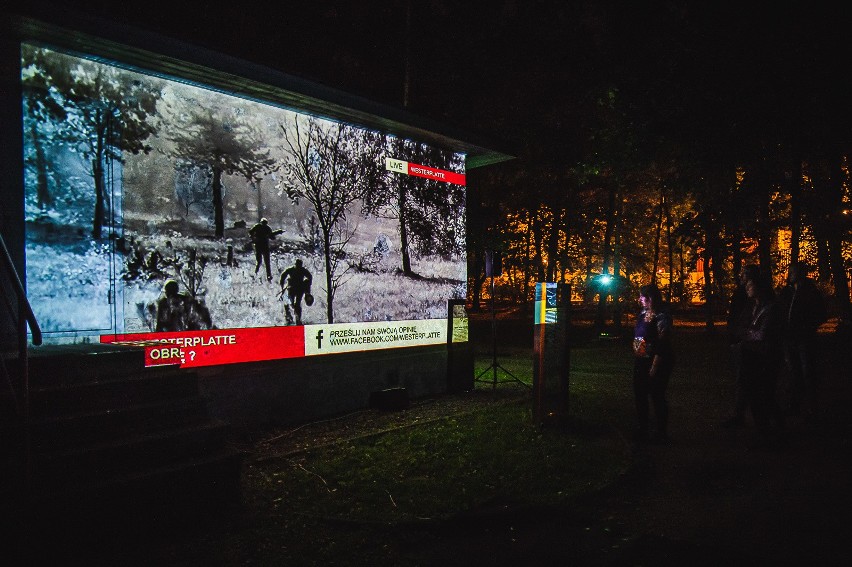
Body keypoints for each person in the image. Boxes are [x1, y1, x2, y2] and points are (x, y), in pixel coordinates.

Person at [733, 272, 786, 449]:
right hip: (752, 355)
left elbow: (763, 334)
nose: (746, 287)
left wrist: (747, 334)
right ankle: (766, 432)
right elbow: (742, 326)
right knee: (756, 394)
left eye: (750, 285)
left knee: (765, 394)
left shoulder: (771, 308)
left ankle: (774, 431)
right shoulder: (751, 306)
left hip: (766, 356)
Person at [778, 261, 827, 418]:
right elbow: (780, 310)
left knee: (807, 372)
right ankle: (795, 405)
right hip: (789, 338)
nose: (789, 275)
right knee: (794, 372)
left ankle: (812, 408)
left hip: (804, 338)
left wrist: (807, 327)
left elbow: (820, 313)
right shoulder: (787, 292)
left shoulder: (810, 292)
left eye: (792, 272)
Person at [631, 283, 675, 444]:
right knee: (640, 394)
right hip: (641, 360)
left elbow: (663, 342)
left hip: (657, 361)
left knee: (657, 395)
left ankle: (661, 433)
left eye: (642, 297)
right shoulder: (643, 313)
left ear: (650, 298)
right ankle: (643, 429)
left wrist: (655, 365)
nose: (639, 300)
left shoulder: (662, 316)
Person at [723, 264, 762, 428]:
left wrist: (739, 335)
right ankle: (742, 413)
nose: (741, 277)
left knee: (745, 379)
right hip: (741, 340)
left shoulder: (751, 297)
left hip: (748, 343)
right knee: (743, 378)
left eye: (744, 274)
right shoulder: (744, 293)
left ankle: (745, 416)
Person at [279, 258, 313, 325]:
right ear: (296, 264)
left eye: (299, 265)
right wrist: (282, 285)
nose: (298, 267)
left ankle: (298, 319)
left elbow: (310, 277)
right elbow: (283, 275)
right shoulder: (292, 270)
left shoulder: (302, 270)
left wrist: (307, 286)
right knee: (290, 303)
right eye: (297, 265)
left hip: (299, 289)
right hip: (292, 289)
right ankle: (289, 318)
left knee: (297, 304)